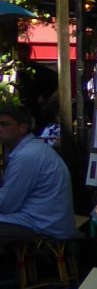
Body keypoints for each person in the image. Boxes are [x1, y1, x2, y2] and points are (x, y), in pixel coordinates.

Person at [0, 103, 76, 241]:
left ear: (23, 127)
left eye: (4, 125)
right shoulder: (26, 149)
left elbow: (6, 205)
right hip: (40, 220)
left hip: (44, 226)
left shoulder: (27, 155)